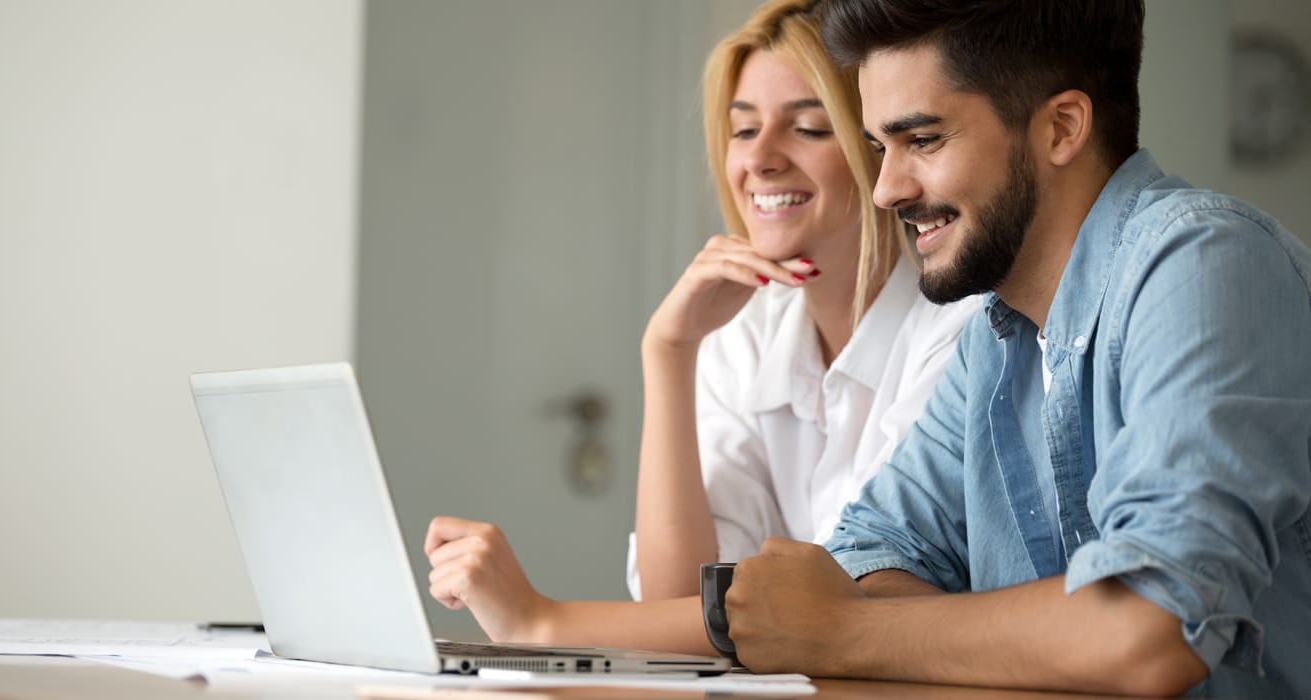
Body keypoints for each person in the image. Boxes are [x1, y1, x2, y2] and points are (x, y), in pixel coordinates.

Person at [721, 1, 1311, 697]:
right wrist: (1066, 635)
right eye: (881, 147)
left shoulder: (1206, 262)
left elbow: (1152, 630)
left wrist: (838, 630)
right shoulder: (995, 337)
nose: (885, 189)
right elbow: (863, 554)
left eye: (924, 140)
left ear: (1061, 127)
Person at [423, 0, 979, 654]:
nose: (761, 159)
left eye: (806, 127)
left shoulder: (959, 329)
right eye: (743, 130)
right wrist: (669, 351)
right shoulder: (743, 332)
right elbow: (682, 604)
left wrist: (537, 621)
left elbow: (828, 613)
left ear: (879, 151)